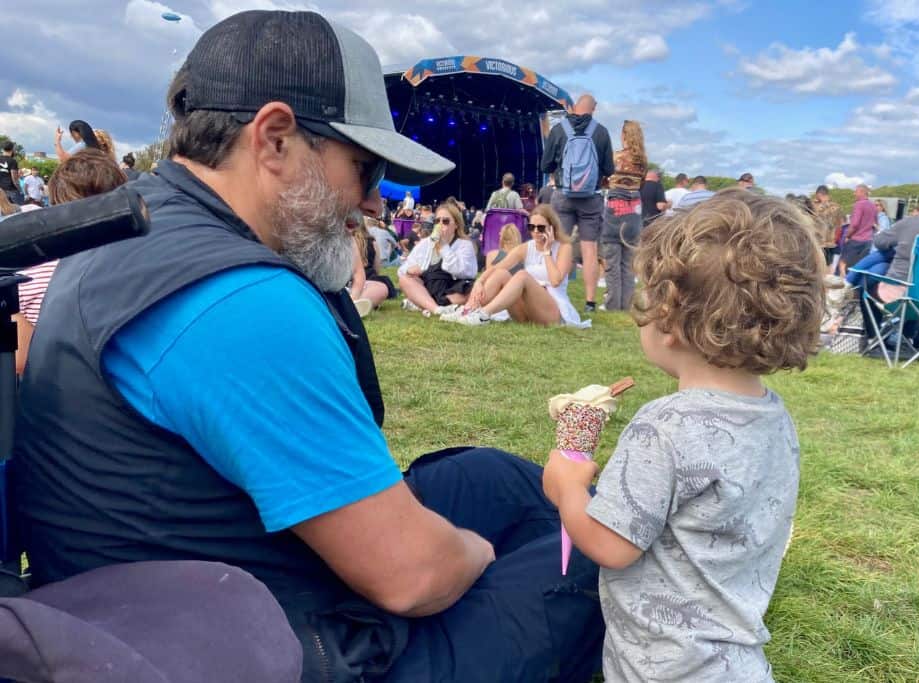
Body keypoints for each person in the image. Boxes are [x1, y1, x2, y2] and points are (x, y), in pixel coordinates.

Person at [13, 10, 603, 682]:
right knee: (586, 553)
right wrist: (476, 556)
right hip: (267, 647)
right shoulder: (240, 300)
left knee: (494, 477)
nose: (376, 201)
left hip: (148, 601)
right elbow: (412, 575)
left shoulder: (128, 232)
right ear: (273, 139)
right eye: (364, 166)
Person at [542, 189, 824, 683]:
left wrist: (567, 488)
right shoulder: (775, 417)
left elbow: (612, 546)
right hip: (738, 663)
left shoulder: (663, 425)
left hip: (663, 666)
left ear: (667, 317)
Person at [13, 150, 129, 375]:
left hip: (51, 394)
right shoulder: (140, 267)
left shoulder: (31, 276)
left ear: (56, 207)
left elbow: (19, 360)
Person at [443, 204, 589, 328]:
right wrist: (479, 282)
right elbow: (497, 267)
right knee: (502, 274)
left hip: (553, 310)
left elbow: (556, 281)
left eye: (541, 228)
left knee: (522, 276)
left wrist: (547, 252)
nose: (536, 232)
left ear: (552, 228)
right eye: (532, 227)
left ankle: (483, 314)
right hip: (526, 311)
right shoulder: (527, 247)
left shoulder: (564, 247)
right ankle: (467, 310)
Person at [541, 94, 615, 313]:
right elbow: (609, 169)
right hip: (591, 198)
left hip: (563, 195)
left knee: (559, 246)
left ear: (573, 108)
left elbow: (545, 165)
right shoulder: (600, 132)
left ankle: (554, 293)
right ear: (594, 108)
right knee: (589, 249)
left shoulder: (559, 130)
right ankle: (590, 301)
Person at [397, 200, 478, 316]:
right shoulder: (425, 243)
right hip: (428, 285)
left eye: (445, 221)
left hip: (453, 286)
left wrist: (443, 246)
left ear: (456, 225)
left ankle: (423, 303)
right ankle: (436, 308)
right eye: (437, 221)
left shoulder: (465, 245)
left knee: (474, 290)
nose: (440, 224)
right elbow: (402, 270)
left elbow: (462, 272)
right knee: (405, 279)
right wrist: (409, 270)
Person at [600, 120, 646, 311]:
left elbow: (604, 181)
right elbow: (641, 185)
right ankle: (626, 305)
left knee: (612, 261)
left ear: (624, 135)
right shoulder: (643, 162)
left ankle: (612, 304)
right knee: (628, 264)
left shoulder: (616, 157)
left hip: (615, 211)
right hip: (634, 212)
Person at [841, 184, 876, 276]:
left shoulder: (859, 204)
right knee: (858, 268)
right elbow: (875, 223)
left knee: (843, 265)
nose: (854, 194)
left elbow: (855, 224)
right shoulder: (873, 206)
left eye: (856, 191)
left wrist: (847, 236)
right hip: (868, 241)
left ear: (862, 192)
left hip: (856, 240)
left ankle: (844, 285)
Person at [810, 185, 842, 264]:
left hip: (818, 242)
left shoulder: (814, 205)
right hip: (831, 242)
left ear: (819, 194)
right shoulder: (836, 206)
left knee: (818, 264)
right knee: (828, 265)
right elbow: (839, 225)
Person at [0, 140, 21, 204]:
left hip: (1, 190)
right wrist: (20, 189)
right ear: (12, 149)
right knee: (16, 211)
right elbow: (14, 179)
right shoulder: (12, 161)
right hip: (11, 190)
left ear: (2, 149)